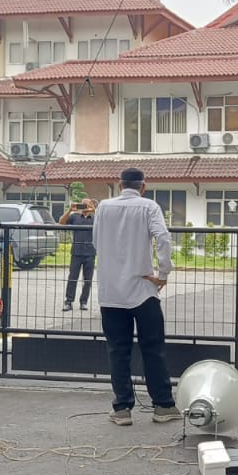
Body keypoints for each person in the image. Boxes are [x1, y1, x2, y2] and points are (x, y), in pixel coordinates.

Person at [92, 168, 182, 426]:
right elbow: (163, 238)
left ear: (119, 185)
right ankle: (163, 406)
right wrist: (163, 272)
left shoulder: (104, 208)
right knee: (152, 349)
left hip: (110, 293)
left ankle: (122, 409)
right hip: (143, 290)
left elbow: (97, 242)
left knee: (118, 352)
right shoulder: (149, 207)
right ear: (143, 186)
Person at [60, 197, 97, 312]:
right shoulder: (75, 217)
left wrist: (93, 210)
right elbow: (61, 223)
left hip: (90, 252)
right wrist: (70, 210)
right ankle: (69, 301)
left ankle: (84, 301)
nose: (84, 207)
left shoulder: (95, 218)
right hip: (76, 252)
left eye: (87, 205)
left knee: (88, 280)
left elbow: (105, 220)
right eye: (82, 205)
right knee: (72, 278)